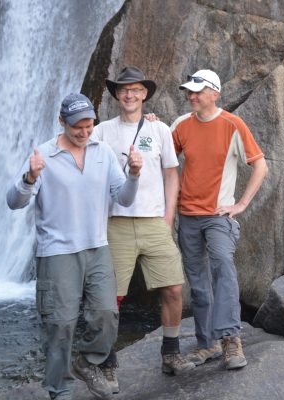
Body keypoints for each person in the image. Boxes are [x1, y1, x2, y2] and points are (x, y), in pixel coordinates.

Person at [6, 93, 142, 400]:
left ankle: (87, 361)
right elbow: (13, 202)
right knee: (60, 325)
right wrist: (30, 178)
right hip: (57, 253)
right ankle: (60, 389)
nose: (84, 132)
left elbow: (123, 197)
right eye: (77, 126)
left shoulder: (103, 151)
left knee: (107, 314)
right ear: (61, 122)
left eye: (89, 126)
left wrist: (134, 175)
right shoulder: (44, 154)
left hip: (97, 247)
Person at [94, 66, 195, 388]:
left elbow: (171, 174)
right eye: (123, 89)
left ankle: (171, 353)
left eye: (135, 90)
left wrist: (169, 217)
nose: (129, 94)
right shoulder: (101, 132)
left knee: (174, 289)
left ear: (145, 94)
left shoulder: (159, 129)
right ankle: (108, 362)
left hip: (154, 221)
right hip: (117, 223)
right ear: (116, 94)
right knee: (112, 298)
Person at [171, 69, 268, 370]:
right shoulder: (180, 125)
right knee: (198, 283)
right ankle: (206, 345)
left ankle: (230, 339)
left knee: (223, 267)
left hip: (217, 216)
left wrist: (240, 204)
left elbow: (260, 166)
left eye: (197, 91)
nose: (191, 96)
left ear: (215, 93)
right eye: (189, 91)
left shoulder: (232, 124)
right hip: (186, 217)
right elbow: (166, 162)